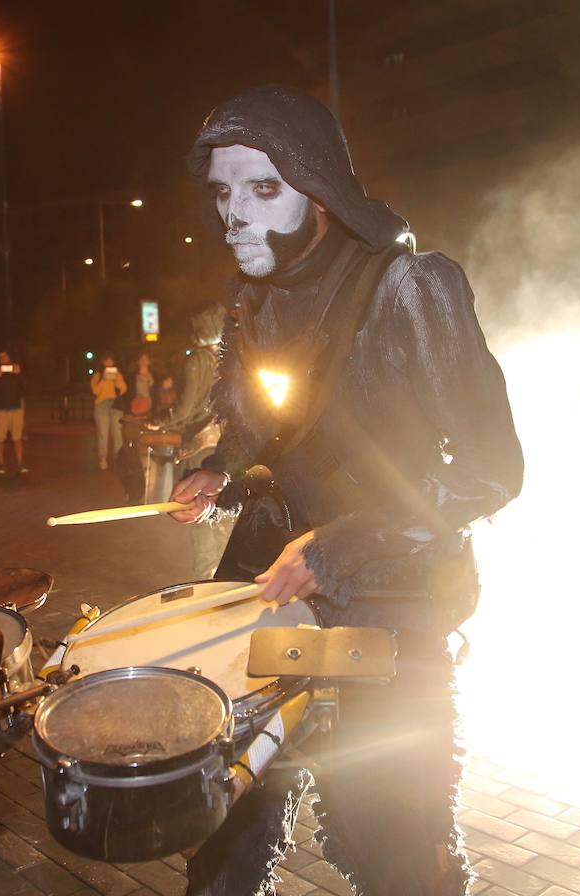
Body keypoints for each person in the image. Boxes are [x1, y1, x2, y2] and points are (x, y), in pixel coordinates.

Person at [169, 86, 523, 896]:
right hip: (269, 594)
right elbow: (263, 425)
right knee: (225, 838)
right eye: (221, 191)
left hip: (388, 601)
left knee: (394, 850)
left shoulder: (411, 287)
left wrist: (339, 546)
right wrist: (222, 469)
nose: (233, 213)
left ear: (319, 190)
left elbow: (489, 466)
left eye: (263, 187)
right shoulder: (253, 299)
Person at [151, 303, 231, 577]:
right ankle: (225, 583)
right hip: (226, 445)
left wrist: (161, 420)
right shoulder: (227, 357)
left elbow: (184, 410)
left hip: (201, 448)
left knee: (201, 515)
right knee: (223, 517)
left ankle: (206, 583)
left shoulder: (197, 360)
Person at [0, 350, 27, 475]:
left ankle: (20, 463)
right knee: (0, 438)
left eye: (5, 356)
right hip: (0, 410)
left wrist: (19, 374)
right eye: (0, 357)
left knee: (17, 438)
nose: (3, 359)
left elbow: (25, 389)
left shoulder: (16, 372)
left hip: (15, 409)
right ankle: (1, 464)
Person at [89, 353, 127, 470]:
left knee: (117, 432)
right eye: (107, 360)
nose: (109, 363)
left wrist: (115, 380)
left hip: (115, 404)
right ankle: (103, 459)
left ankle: (118, 459)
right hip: (101, 405)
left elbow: (123, 389)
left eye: (111, 360)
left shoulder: (118, 374)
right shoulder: (97, 375)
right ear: (103, 362)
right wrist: (103, 380)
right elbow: (95, 391)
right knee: (103, 433)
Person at [131, 351, 155, 417]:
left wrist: (148, 381)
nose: (143, 361)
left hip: (147, 403)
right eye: (141, 359)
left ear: (149, 361)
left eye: (146, 359)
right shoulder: (133, 375)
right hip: (136, 403)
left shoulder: (154, 375)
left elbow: (155, 390)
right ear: (138, 361)